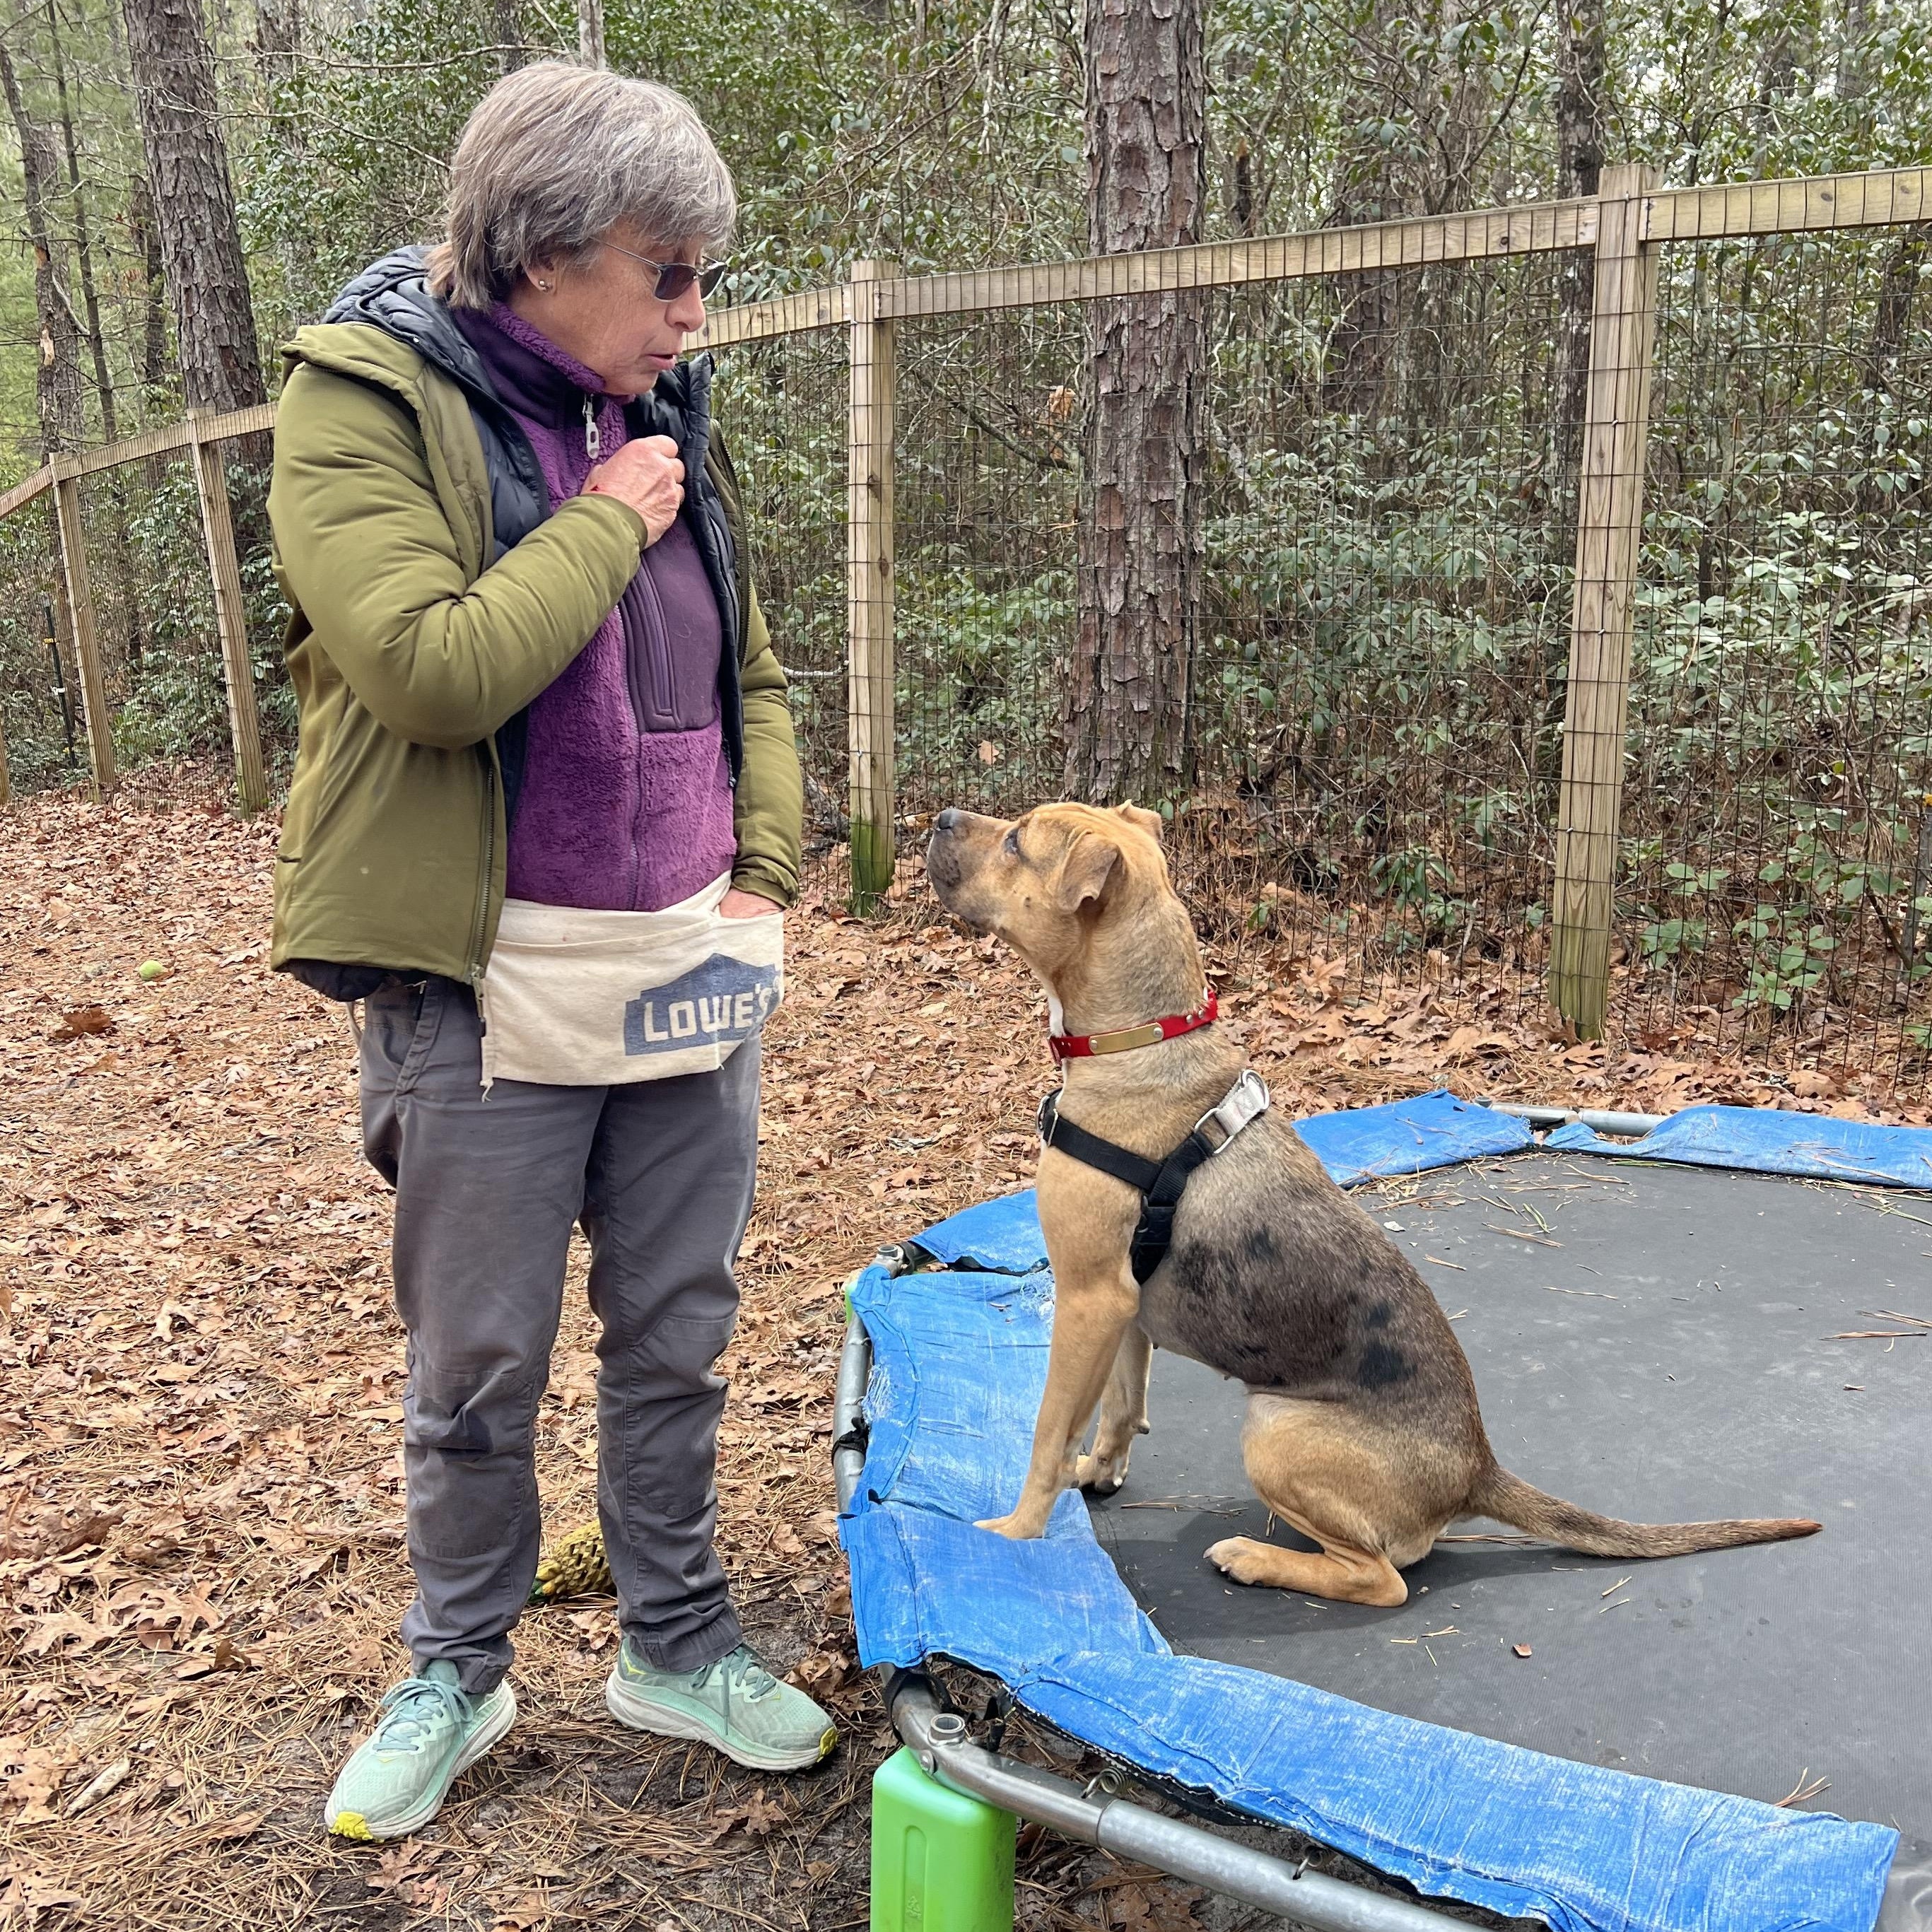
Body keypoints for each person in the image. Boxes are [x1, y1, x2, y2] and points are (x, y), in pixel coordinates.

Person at [266, 61, 831, 1844]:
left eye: (703, 279)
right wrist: (609, 518)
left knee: (676, 1327)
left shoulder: (670, 399)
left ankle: (673, 1638)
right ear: (537, 249)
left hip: (684, 962)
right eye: (664, 271)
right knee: (479, 1357)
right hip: (482, 976)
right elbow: (427, 667)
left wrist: (765, 859)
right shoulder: (364, 398)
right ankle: (458, 1659)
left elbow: (748, 665)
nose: (691, 310)